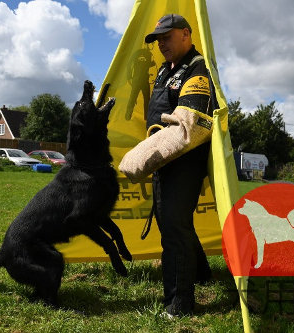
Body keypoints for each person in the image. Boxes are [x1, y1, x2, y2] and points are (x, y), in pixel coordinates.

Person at [119, 14, 215, 317]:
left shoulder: (198, 70)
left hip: (184, 161)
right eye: (157, 39)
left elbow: (188, 127)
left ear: (186, 34)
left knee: (173, 227)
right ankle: (201, 273)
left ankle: (179, 303)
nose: (161, 43)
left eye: (167, 37)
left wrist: (145, 154)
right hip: (164, 160)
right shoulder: (165, 70)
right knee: (175, 222)